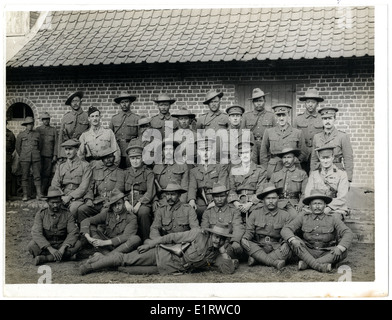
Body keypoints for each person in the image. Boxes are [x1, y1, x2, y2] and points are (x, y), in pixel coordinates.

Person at [79, 222, 239, 276]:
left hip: (165, 269)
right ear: (210, 234)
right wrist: (150, 244)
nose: (218, 240)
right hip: (159, 254)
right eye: (216, 236)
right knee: (125, 260)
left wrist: (224, 251)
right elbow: (172, 237)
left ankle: (99, 257)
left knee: (124, 270)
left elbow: (227, 271)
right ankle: (90, 266)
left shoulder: (217, 254)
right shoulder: (197, 235)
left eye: (222, 238)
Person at [281, 189, 354, 272]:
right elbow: (286, 229)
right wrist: (293, 240)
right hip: (308, 251)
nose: (317, 206)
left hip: (327, 252)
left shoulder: (333, 219)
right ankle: (319, 266)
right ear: (309, 205)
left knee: (343, 251)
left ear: (325, 205)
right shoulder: (303, 217)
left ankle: (308, 264)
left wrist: (340, 248)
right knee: (294, 241)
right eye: (314, 204)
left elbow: (348, 232)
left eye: (320, 203)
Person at [240, 184, 293, 270]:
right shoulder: (255, 213)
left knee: (289, 248)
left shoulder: (285, 215)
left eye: (274, 198)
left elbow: (288, 233)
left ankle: (257, 259)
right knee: (244, 242)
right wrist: (245, 238)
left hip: (276, 247)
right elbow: (249, 231)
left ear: (278, 199)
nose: (271, 201)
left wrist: (285, 243)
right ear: (263, 200)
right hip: (259, 246)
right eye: (268, 199)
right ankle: (273, 262)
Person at [27, 186, 81, 266]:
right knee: (31, 246)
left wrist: (63, 248)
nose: (55, 205)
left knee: (78, 244)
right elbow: (36, 233)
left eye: (58, 202)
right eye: (52, 203)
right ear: (48, 202)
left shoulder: (67, 214)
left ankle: (46, 258)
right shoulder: (41, 214)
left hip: (62, 244)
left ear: (61, 201)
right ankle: (67, 257)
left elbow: (73, 232)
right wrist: (50, 248)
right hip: (47, 245)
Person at [80, 188, 141, 255]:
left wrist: (103, 243)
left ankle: (107, 256)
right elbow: (86, 221)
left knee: (136, 239)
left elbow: (126, 236)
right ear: (111, 206)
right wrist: (89, 238)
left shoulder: (131, 217)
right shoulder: (107, 213)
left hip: (121, 246)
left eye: (119, 204)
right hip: (105, 244)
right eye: (114, 205)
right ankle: (108, 255)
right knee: (90, 226)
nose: (117, 207)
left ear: (123, 203)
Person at [76, 147, 125, 224]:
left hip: (111, 202)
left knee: (104, 213)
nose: (108, 159)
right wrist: (88, 199)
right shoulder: (96, 171)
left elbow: (119, 189)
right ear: (102, 160)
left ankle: (101, 233)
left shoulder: (120, 172)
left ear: (114, 157)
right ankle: (84, 232)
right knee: (81, 209)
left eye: (110, 157)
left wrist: (110, 202)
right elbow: (90, 187)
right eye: (105, 158)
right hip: (97, 201)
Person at [259, 103, 308, 180]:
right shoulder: (269, 132)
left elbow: (304, 152)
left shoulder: (297, 132)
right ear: (275, 117)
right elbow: (263, 153)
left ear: (288, 115)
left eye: (284, 115)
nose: (281, 118)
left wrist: (294, 161)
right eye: (279, 115)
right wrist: (266, 168)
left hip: (293, 168)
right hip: (274, 168)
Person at [188, 137, 229, 222]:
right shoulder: (194, 171)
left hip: (218, 198)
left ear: (212, 151)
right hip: (201, 199)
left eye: (208, 150)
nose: (205, 153)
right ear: (198, 152)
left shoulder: (220, 167)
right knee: (194, 211)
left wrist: (215, 201)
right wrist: (191, 200)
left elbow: (222, 185)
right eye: (202, 150)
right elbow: (192, 187)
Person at [122, 143, 156, 243]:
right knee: (121, 210)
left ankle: (146, 239)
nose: (135, 161)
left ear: (142, 158)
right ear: (129, 159)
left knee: (143, 212)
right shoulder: (125, 173)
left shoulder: (148, 172)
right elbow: (119, 190)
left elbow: (150, 191)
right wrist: (125, 202)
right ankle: (124, 240)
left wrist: (140, 203)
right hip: (127, 200)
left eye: (137, 158)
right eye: (132, 158)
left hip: (143, 201)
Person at [201, 183, 244, 260]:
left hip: (228, 244)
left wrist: (236, 241)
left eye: (222, 196)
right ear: (213, 197)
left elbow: (238, 227)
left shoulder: (234, 211)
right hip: (212, 244)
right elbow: (204, 230)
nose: (220, 199)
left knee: (232, 251)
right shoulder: (207, 212)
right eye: (217, 197)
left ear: (226, 196)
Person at [51, 139, 92, 219]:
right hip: (62, 195)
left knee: (73, 209)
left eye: (70, 149)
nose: (68, 152)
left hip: (78, 197)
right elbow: (55, 184)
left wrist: (70, 197)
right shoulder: (61, 166)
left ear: (76, 150)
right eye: (66, 149)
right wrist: (61, 196)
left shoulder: (85, 165)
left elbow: (84, 187)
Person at [310, 106, 354, 182]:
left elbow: (348, 159)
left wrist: (348, 178)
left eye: (330, 118)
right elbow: (314, 159)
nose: (327, 121)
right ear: (322, 120)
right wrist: (312, 175)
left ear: (334, 119)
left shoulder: (342, 136)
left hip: (337, 171)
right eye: (324, 119)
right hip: (320, 172)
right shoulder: (316, 137)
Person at [305, 145, 350, 219]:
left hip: (334, 209)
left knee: (333, 220)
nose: (325, 161)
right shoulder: (314, 174)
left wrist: (328, 208)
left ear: (333, 157)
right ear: (319, 158)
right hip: (316, 208)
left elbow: (342, 197)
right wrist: (317, 207)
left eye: (328, 158)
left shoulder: (341, 174)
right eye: (323, 158)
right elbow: (308, 194)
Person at [228, 141, 267, 222]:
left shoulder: (260, 170)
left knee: (258, 214)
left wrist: (249, 203)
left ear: (252, 153)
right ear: (239, 155)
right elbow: (231, 189)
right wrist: (236, 203)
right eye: (241, 153)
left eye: (247, 152)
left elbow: (261, 190)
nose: (244, 155)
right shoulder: (234, 170)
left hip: (254, 202)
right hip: (238, 202)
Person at [293, 88, 325, 174]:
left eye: (313, 102)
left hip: (317, 152)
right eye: (308, 102)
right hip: (302, 153)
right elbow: (293, 137)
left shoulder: (322, 118)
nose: (310, 105)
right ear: (305, 103)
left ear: (317, 103)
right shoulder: (298, 119)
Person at [270, 147, 308, 217]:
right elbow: (270, 193)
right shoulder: (275, 175)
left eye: (289, 157)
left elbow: (305, 193)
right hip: (278, 204)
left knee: (296, 218)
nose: (286, 160)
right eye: (284, 157)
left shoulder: (302, 174)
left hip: (294, 204)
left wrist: (300, 204)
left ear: (294, 158)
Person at [242, 88, 276, 164]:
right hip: (251, 148)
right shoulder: (246, 116)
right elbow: (242, 135)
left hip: (267, 148)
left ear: (264, 101)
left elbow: (276, 134)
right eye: (256, 101)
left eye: (260, 101)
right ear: (253, 103)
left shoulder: (271, 116)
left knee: (266, 168)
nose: (258, 103)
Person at [153, 139, 189, 208]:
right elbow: (153, 187)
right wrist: (155, 200)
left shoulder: (182, 166)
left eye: (171, 149)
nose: (168, 152)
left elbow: (185, 186)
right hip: (162, 200)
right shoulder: (157, 167)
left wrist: (182, 202)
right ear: (163, 152)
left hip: (178, 199)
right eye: (166, 149)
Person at [15, 116, 43, 201]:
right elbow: (17, 147)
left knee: (37, 176)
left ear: (33, 124)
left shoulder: (37, 134)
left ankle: (39, 194)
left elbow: (40, 146)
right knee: (24, 176)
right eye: (28, 124)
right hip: (24, 158)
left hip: (35, 157)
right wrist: (23, 155)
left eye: (31, 124)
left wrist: (36, 153)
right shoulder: (21, 135)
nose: (30, 126)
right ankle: (25, 195)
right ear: (25, 125)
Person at [110, 91, 140, 169]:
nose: (124, 104)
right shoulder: (114, 119)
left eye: (126, 102)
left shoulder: (136, 118)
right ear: (119, 104)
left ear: (130, 103)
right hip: (117, 150)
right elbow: (110, 136)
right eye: (122, 102)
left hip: (131, 150)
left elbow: (140, 136)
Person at [58, 91, 89, 160]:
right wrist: (60, 154)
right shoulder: (66, 117)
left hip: (83, 150)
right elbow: (61, 136)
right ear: (70, 104)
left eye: (77, 101)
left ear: (81, 102)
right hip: (68, 150)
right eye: (72, 101)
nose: (75, 103)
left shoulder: (87, 116)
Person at [36, 112, 58, 195]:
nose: (46, 121)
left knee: (47, 174)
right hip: (38, 156)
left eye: (47, 119)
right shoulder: (38, 130)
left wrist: (55, 155)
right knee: (38, 173)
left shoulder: (53, 130)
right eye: (44, 119)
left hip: (49, 156)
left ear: (49, 120)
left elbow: (56, 143)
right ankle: (38, 192)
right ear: (42, 120)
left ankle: (42, 191)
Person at [6, 120, 16, 200]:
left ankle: (7, 194)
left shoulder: (10, 134)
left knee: (7, 176)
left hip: (6, 157)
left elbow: (13, 146)